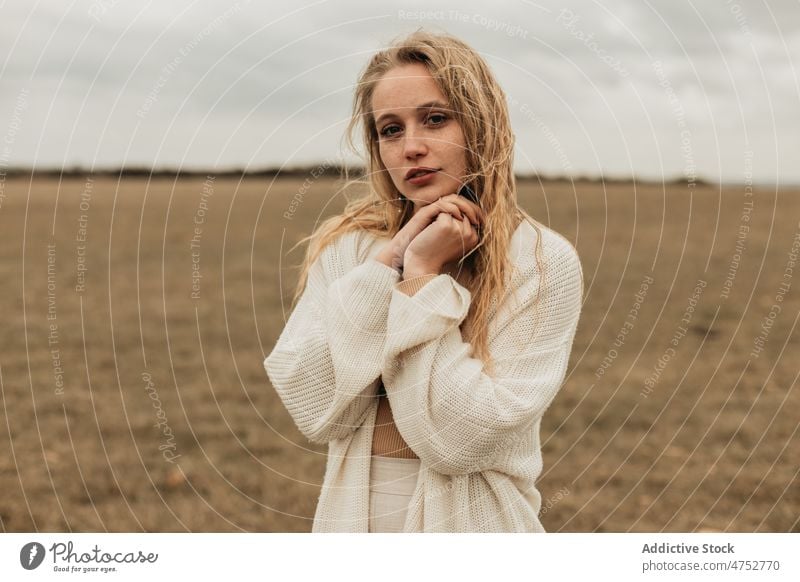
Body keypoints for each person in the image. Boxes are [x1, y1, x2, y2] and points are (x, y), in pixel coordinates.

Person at [264, 29, 583, 532]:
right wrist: (387, 263)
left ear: (481, 126)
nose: (411, 147)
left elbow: (463, 440)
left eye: (435, 119)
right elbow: (316, 406)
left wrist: (421, 278)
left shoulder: (541, 260)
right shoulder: (349, 250)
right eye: (390, 129)